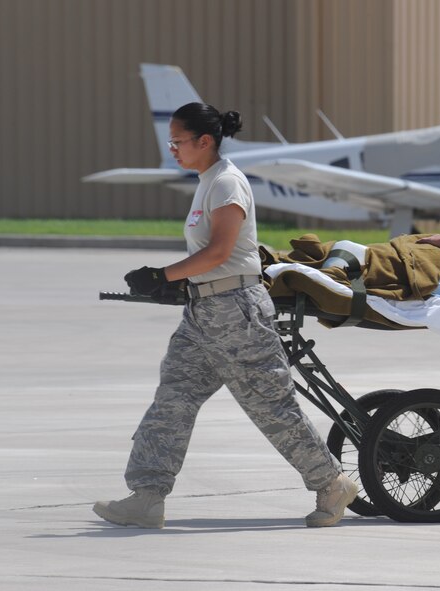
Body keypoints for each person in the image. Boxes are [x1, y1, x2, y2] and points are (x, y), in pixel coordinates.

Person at [93, 102, 357, 529]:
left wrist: (163, 275)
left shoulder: (227, 182)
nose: (173, 149)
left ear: (205, 141)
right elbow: (210, 258)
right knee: (172, 401)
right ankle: (147, 496)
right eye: (171, 141)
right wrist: (174, 283)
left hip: (237, 313)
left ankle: (331, 483)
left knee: (271, 406)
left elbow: (219, 252)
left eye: (178, 141)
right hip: (205, 313)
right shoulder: (206, 182)